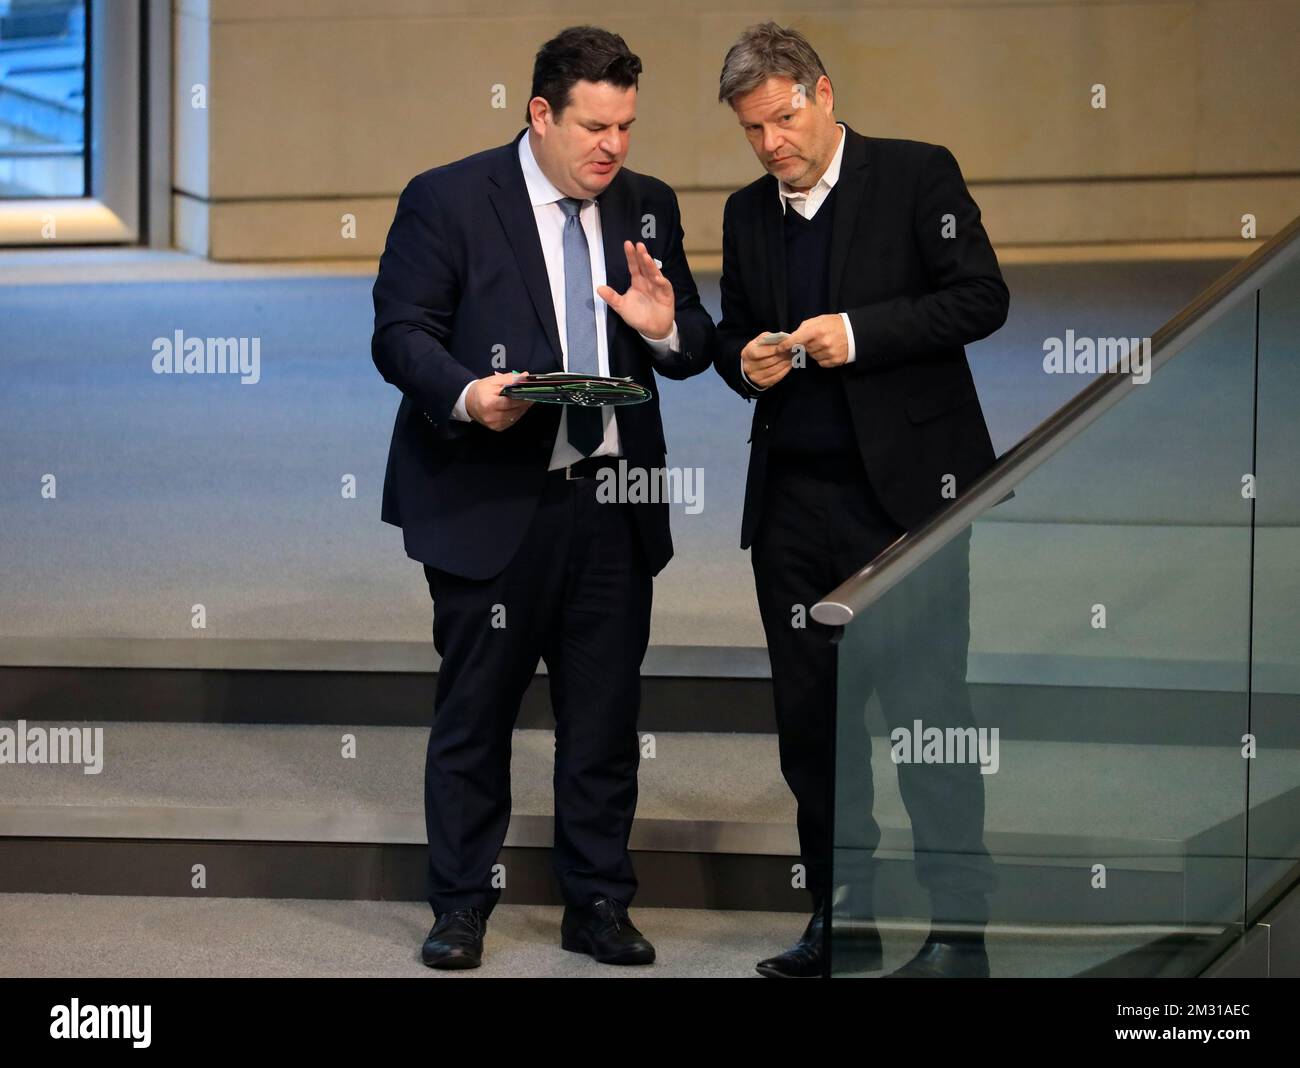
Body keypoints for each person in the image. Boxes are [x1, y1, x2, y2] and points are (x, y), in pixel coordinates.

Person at [371, 24, 714, 970]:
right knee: (475, 715)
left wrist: (669, 326)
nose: (613, 147)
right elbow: (400, 332)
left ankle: (598, 903)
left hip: (612, 500)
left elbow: (692, 345)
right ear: (540, 113)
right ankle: (460, 905)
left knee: (603, 720)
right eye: (595, 126)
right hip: (488, 500)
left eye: (627, 127)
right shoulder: (448, 199)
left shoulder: (647, 206)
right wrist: (467, 394)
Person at [711, 21, 1008, 978]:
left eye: (784, 119)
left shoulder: (920, 175)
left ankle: (960, 930)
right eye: (753, 131)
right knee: (813, 727)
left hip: (909, 503)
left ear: (824, 93)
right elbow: (733, 338)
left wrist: (861, 333)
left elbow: (982, 298)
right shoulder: (747, 213)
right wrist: (745, 365)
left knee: (929, 717)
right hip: (793, 507)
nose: (772, 145)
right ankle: (843, 920)